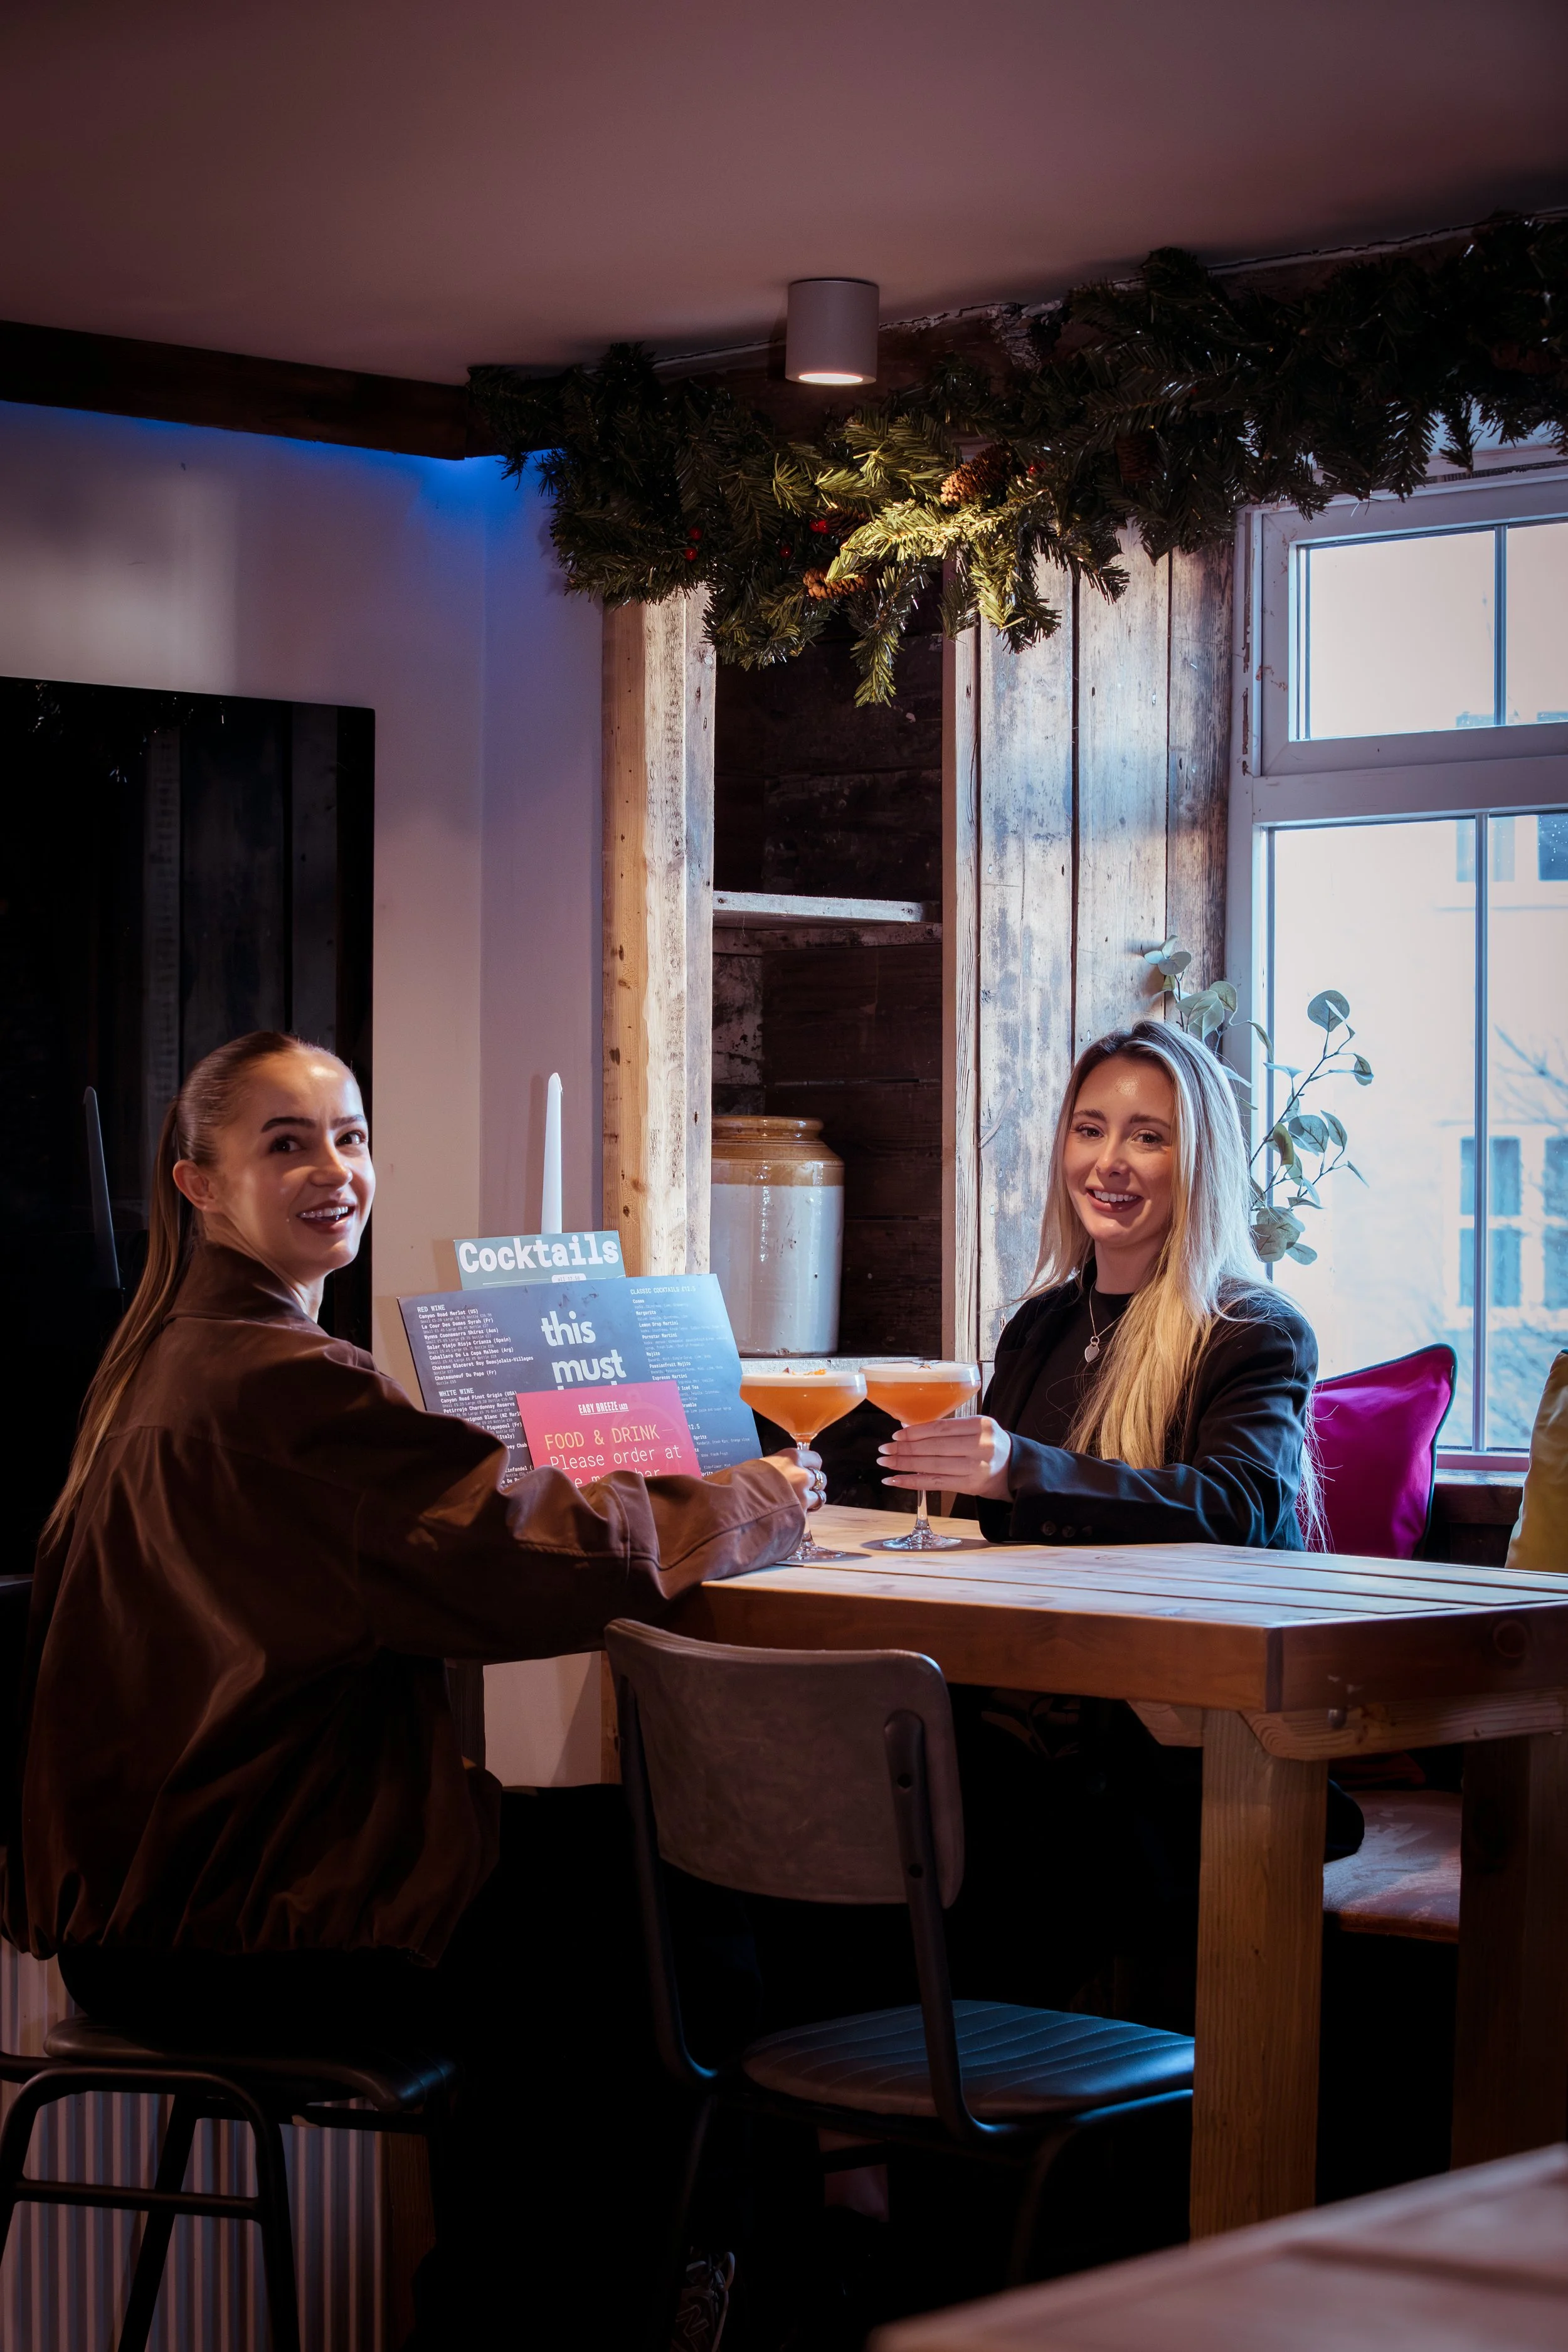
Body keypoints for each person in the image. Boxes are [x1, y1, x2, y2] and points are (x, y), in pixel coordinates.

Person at [1, 1029, 815, 2343]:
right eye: (286, 1143)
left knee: (609, 1902)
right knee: (666, 1911)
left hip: (150, 1909)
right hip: (248, 1918)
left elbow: (446, 1539)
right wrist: (752, 1502)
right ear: (197, 1182)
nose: (334, 1168)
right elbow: (513, 1555)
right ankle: (641, 2298)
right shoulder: (272, 1380)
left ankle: (590, 2295)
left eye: (350, 1135)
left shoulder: (162, 1358)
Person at [876, 1020, 1356, 2023]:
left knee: (944, 1857)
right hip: (1030, 1736)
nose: (1110, 1161)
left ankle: (943, 2141)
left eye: (1149, 1136)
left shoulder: (1252, 1332)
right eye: (1090, 1129)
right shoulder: (1042, 1324)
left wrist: (1021, 1469)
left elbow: (1243, 1504)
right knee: (843, 1820)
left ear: (1199, 1160)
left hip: (1177, 1755)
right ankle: (877, 2140)